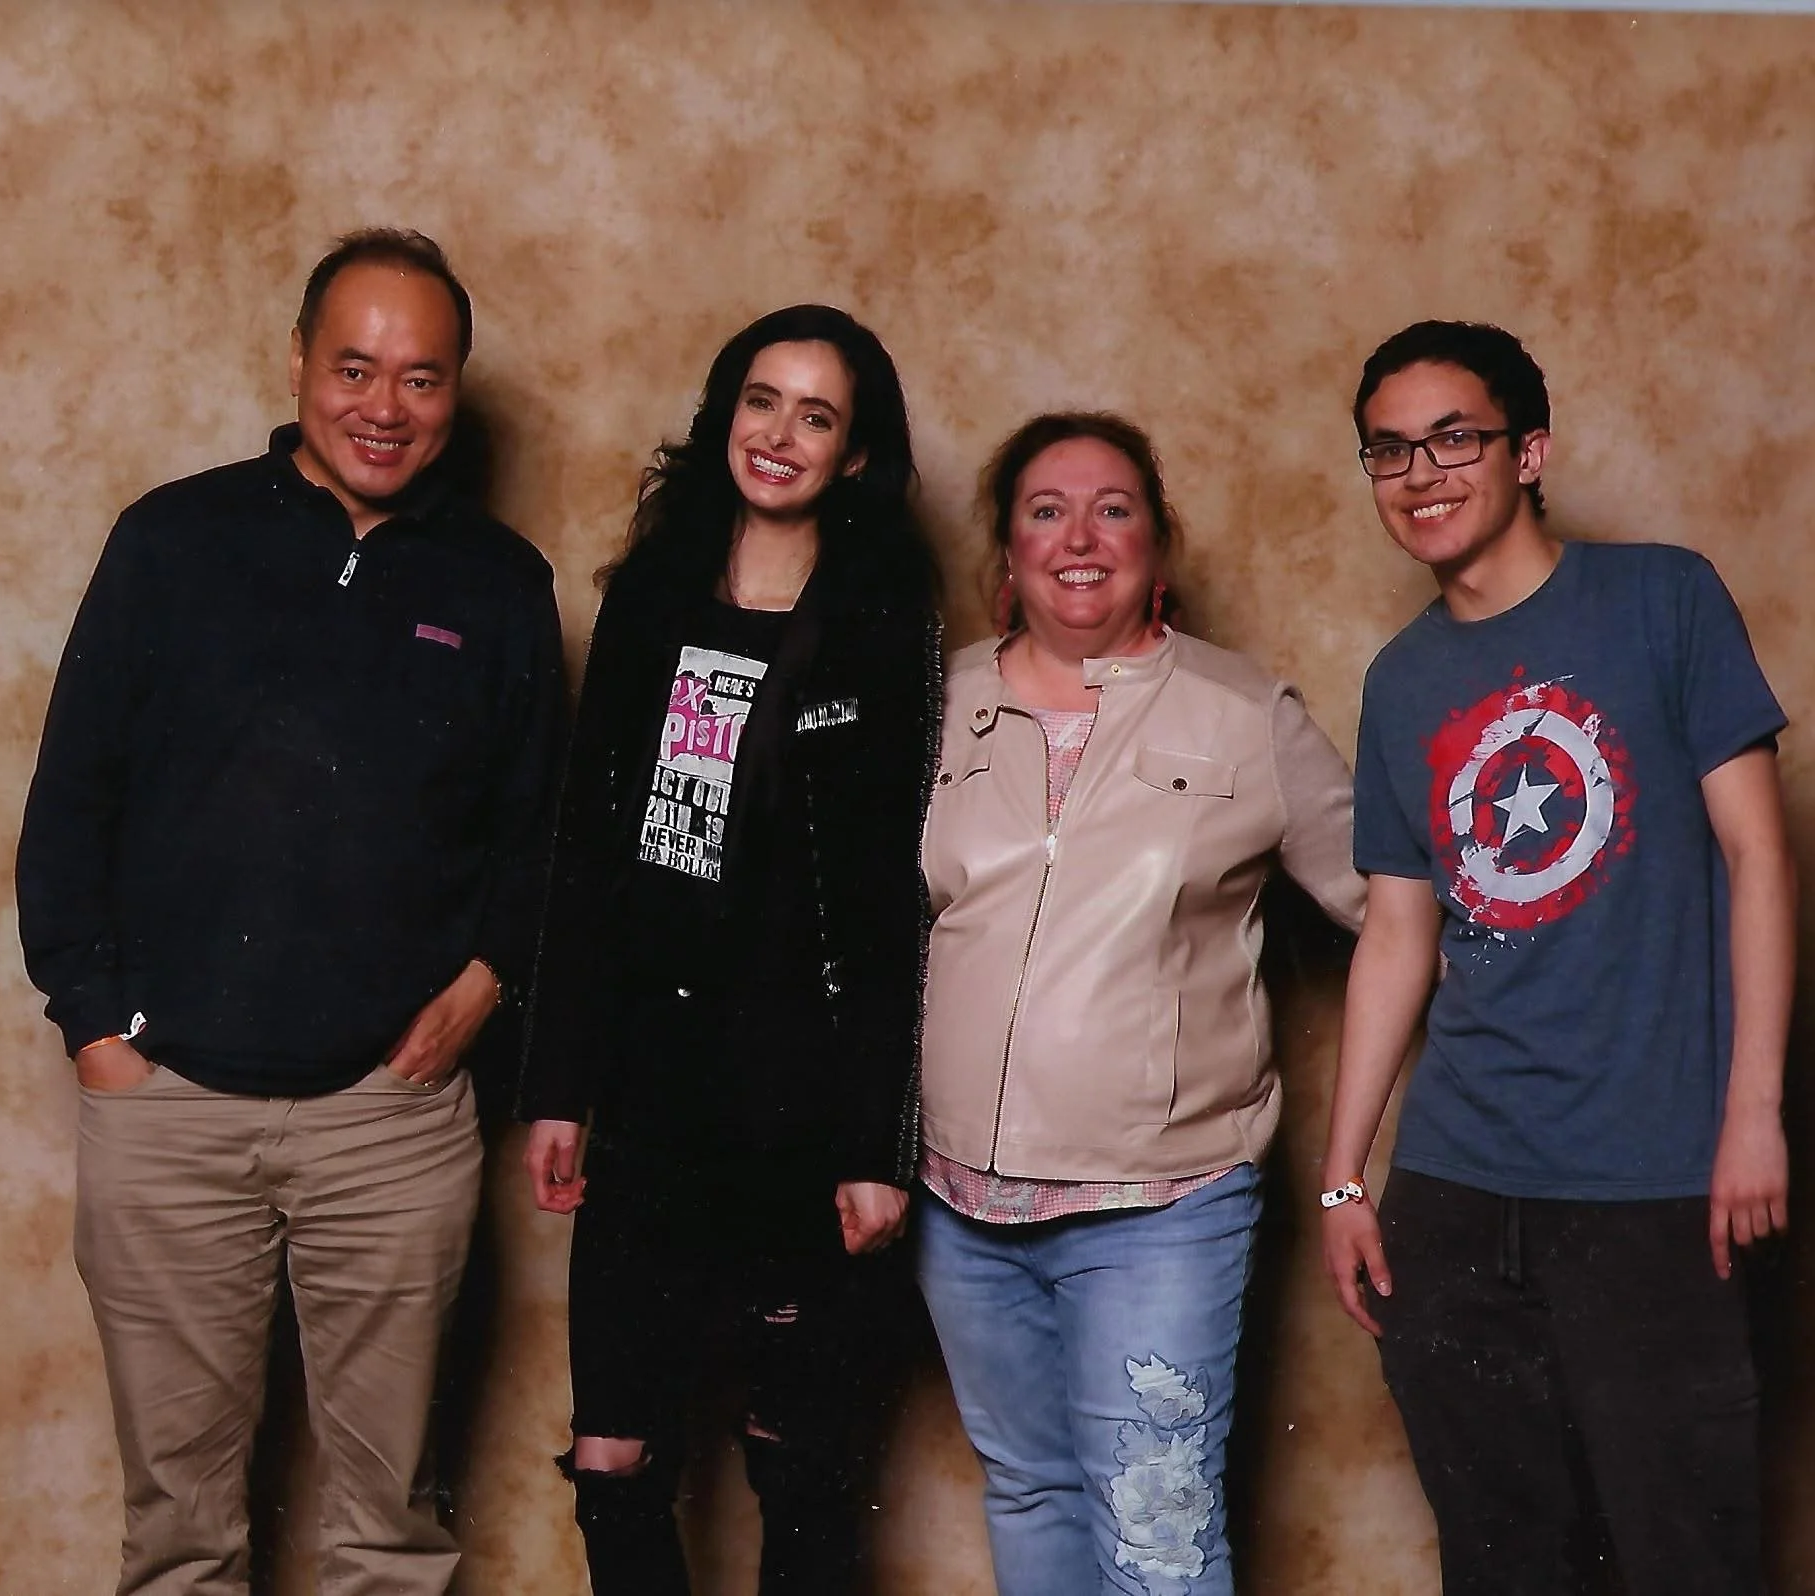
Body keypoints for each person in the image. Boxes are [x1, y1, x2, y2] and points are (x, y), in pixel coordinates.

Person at [16, 229, 565, 1596]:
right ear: (300, 366)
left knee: (388, 1534)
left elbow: (542, 835)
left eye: (420, 377)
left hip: (389, 1120)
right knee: (181, 1533)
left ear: (456, 391)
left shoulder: (500, 583)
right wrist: (98, 1030)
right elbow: (70, 802)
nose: (385, 405)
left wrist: (485, 983)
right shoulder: (170, 541)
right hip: (167, 1110)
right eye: (355, 367)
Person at [1319, 320, 1794, 1596]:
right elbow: (1398, 931)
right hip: (1456, 1191)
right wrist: (1342, 1177)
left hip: (1652, 1181)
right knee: (1502, 1564)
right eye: (1387, 450)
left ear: (1527, 452)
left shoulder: (1661, 599)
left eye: (1451, 439)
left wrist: (1750, 1114)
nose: (1419, 474)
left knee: (1684, 1554)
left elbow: (1756, 856)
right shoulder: (1400, 680)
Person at [518, 304, 941, 1595]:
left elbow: (888, 902)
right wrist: (557, 1084)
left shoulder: (880, 620)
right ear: (724, 416)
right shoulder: (652, 598)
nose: (779, 435)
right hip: (650, 1093)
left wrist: (872, 1145)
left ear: (853, 455)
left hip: (798, 1106)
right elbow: (587, 855)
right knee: (613, 1457)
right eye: (762, 401)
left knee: (798, 1464)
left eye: (816, 416)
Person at [916, 411, 1366, 1596]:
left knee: (1155, 1540)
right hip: (958, 1207)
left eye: (1111, 510)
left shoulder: (1242, 712)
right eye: (1045, 512)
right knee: (1028, 1491)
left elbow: (1393, 904)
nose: (1078, 537)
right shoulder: (938, 703)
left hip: (1157, 1207)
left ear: (1155, 545)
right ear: (1007, 552)